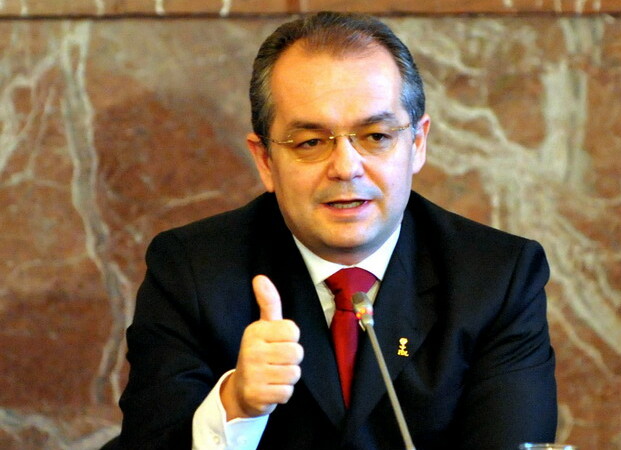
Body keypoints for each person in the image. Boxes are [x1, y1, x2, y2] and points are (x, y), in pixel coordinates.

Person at [113, 11, 557, 450]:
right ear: (265, 160)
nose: (346, 167)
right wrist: (235, 407)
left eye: (376, 136)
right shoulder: (192, 272)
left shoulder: (497, 277)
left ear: (417, 143)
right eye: (310, 142)